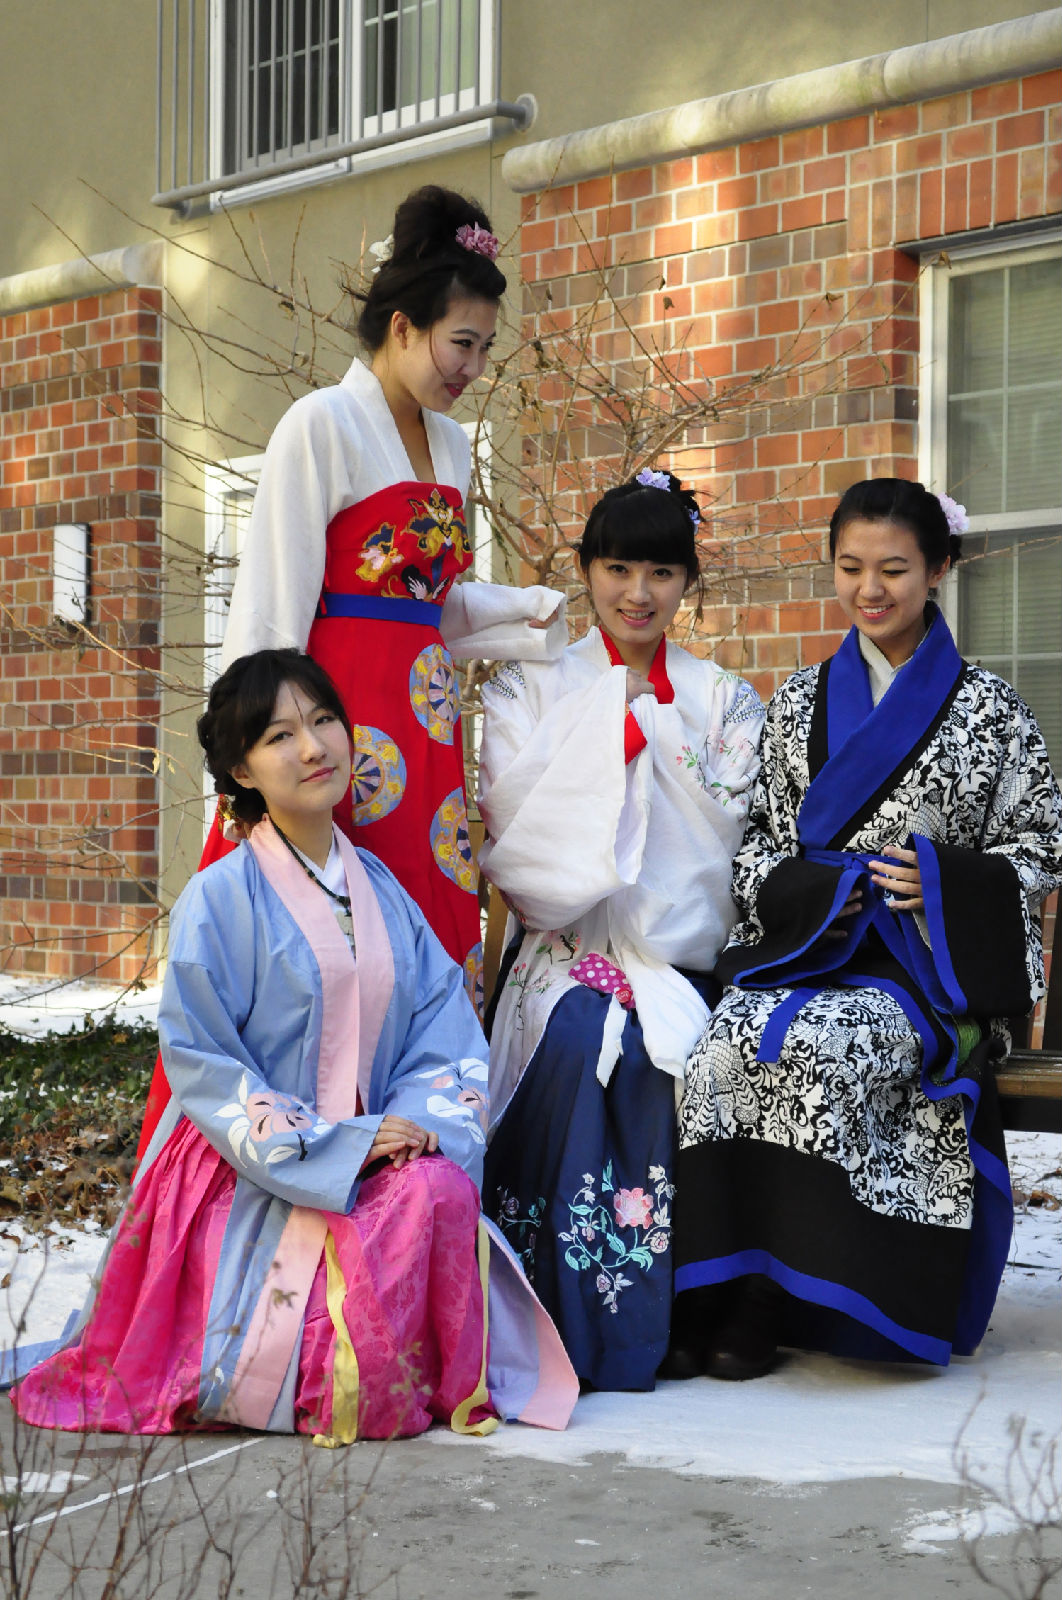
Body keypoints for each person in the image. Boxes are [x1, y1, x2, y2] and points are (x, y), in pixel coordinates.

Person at [10, 651, 577, 1440]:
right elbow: (203, 1061)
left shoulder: (381, 889)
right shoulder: (218, 897)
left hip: (378, 1152)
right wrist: (337, 1142)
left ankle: (379, 1364)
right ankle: (327, 1371)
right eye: (280, 735)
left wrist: (414, 1128)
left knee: (438, 1190)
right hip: (249, 1166)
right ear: (242, 769)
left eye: (323, 721)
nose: (313, 747)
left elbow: (440, 1031)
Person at [136, 184, 565, 1159]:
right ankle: (307, 1183)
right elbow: (269, 615)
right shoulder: (319, 425)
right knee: (324, 958)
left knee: (433, 950)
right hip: (346, 735)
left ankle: (428, 1186)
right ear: (404, 326)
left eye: (486, 348)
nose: (474, 368)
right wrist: (251, 765)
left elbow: (430, 608)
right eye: (462, 343)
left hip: (430, 735)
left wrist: (524, 616)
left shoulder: (450, 445)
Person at [670, 478, 1062, 1381]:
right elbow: (756, 846)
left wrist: (941, 880)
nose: (870, 589)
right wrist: (812, 890)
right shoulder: (798, 702)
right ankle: (716, 1284)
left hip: (925, 968)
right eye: (850, 568)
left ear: (940, 569)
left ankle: (788, 1298)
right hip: (811, 948)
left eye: (894, 569)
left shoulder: (993, 712)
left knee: (826, 1046)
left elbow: (1041, 847)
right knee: (724, 1044)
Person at [475, 470, 764, 1390]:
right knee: (583, 1035)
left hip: (678, 949)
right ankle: (574, 1313)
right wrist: (615, 741)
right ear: (585, 571)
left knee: (671, 1046)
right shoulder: (528, 684)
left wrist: (649, 740)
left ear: (689, 582)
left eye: (662, 572)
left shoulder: (724, 698)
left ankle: (682, 1309)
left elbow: (727, 831)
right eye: (618, 569)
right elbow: (512, 823)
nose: (639, 594)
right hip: (565, 948)